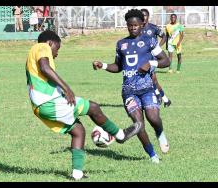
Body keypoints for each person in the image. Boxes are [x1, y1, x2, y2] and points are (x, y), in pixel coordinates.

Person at [25, 30, 142, 180]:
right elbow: (45, 67)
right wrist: (67, 89)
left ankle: (77, 174)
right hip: (48, 102)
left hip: (40, 106)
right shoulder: (42, 46)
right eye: (57, 49)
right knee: (93, 107)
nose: (56, 53)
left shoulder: (31, 54)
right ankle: (120, 135)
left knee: (78, 131)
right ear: (50, 43)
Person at [92, 9, 170, 164]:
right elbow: (118, 66)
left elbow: (166, 61)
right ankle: (153, 155)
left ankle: (160, 134)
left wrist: (151, 63)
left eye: (136, 25)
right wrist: (103, 65)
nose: (133, 28)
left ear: (142, 25)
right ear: (127, 26)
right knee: (138, 125)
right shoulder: (121, 44)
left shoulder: (149, 41)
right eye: (130, 25)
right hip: (128, 92)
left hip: (147, 88)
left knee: (153, 118)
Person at [140, 8, 171, 108]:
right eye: (142, 15)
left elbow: (164, 37)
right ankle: (165, 99)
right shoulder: (137, 29)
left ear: (148, 17)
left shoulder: (153, 28)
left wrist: (158, 47)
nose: (143, 17)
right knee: (152, 80)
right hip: (142, 57)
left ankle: (159, 97)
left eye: (145, 15)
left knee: (151, 79)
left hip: (152, 57)